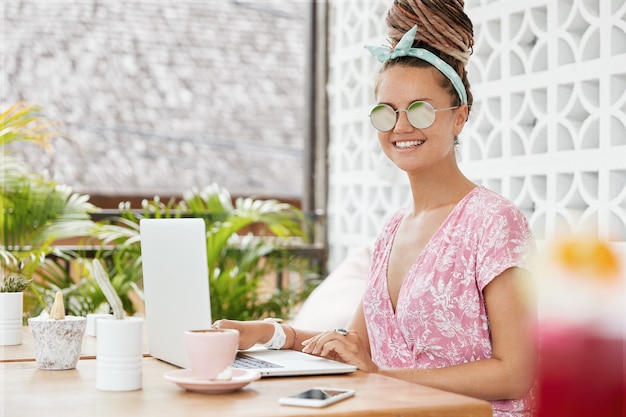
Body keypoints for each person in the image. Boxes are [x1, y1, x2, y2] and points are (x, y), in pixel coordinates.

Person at [213, 1, 537, 416]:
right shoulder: (393, 229)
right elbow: (356, 345)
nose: (401, 126)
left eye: (419, 109)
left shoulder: (494, 222)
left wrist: (380, 374)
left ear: (459, 117)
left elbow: (514, 373)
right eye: (387, 112)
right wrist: (270, 333)